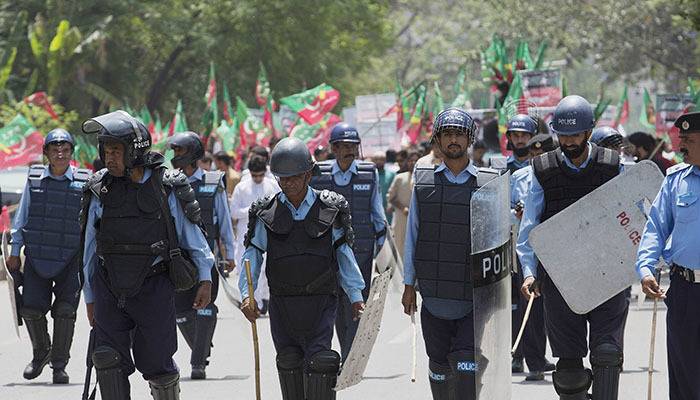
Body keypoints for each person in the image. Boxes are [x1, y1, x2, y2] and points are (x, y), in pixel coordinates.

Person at [80, 110, 215, 399]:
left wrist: (205, 278)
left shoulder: (166, 186)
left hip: (154, 287)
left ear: (134, 150)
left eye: (116, 150)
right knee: (106, 359)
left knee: (159, 365)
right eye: (105, 150)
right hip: (109, 286)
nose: (109, 157)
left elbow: (193, 237)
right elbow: (90, 250)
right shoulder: (98, 189)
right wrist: (90, 297)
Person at [518, 95, 628, 400]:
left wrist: (645, 265)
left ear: (589, 132)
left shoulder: (614, 166)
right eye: (563, 135)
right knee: (568, 372)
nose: (568, 142)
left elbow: (635, 220)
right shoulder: (541, 170)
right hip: (560, 278)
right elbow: (529, 227)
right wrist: (528, 272)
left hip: (608, 276)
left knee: (606, 355)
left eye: (575, 135)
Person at [239, 137, 365, 400]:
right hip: (282, 305)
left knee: (320, 363)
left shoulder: (330, 209)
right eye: (283, 178)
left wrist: (355, 296)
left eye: (295, 177)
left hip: (321, 303)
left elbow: (344, 254)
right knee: (289, 362)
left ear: (308, 174)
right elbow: (252, 256)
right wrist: (246, 295)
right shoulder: (266, 212)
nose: (289, 184)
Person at [401, 107, 503, 399]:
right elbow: (413, 236)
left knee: (465, 363)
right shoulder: (423, 183)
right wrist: (409, 285)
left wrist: (497, 291)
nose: (453, 140)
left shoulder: (487, 183)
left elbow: (496, 238)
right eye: (447, 134)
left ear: (469, 139)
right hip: (433, 294)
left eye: (459, 134)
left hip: (472, 296)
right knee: (439, 366)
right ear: (438, 141)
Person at [7, 129, 91, 384]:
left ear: (71, 152)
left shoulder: (85, 180)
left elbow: (92, 222)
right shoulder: (33, 179)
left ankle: (59, 366)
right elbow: (22, 218)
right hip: (36, 255)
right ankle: (41, 352)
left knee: (65, 311)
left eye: (65, 148)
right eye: (54, 148)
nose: (60, 152)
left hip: (70, 258)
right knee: (31, 310)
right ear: (46, 153)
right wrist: (13, 253)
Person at [310, 122, 387, 361]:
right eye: (343, 146)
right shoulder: (318, 174)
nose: (349, 151)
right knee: (336, 302)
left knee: (355, 301)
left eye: (353, 146)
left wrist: (383, 248)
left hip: (361, 251)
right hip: (327, 253)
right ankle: (345, 350)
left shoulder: (369, 173)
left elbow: (377, 212)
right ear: (333, 148)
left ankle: (350, 355)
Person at [636, 111, 700, 400]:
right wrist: (646, 268)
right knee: (685, 372)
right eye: (680, 138)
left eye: (688, 139)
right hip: (686, 291)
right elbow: (655, 228)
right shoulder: (676, 180)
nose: (681, 144)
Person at [167, 131, 237, 380]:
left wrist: (230, 252)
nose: (175, 157)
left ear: (194, 153)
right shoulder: (169, 182)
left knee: (206, 308)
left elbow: (224, 219)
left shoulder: (212, 182)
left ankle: (198, 362)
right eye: (174, 152)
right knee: (182, 312)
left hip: (209, 258)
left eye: (180, 152)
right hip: (178, 261)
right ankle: (202, 346)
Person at [510, 133, 558, 381]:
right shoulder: (519, 178)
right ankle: (534, 361)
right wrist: (515, 214)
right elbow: (505, 211)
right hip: (528, 249)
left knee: (557, 307)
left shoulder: (559, 174)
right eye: (534, 154)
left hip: (556, 248)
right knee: (531, 307)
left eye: (543, 154)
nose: (537, 158)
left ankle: (565, 357)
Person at [503, 114, 538, 374]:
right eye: (515, 135)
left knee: (536, 304)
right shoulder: (501, 169)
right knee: (513, 303)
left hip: (537, 244)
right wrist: (511, 211)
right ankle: (516, 353)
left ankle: (536, 356)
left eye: (524, 135)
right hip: (508, 244)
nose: (520, 139)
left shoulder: (543, 166)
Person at [230, 155, 279, 314]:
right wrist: (252, 209)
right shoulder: (241, 188)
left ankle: (263, 299)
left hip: (269, 235)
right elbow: (234, 212)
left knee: (266, 270)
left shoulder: (273, 186)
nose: (258, 178)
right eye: (254, 175)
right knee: (249, 270)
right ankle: (253, 303)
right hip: (247, 236)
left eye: (260, 175)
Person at [386, 148, 420, 260]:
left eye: (416, 160)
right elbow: (391, 197)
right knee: (400, 248)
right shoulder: (400, 178)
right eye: (411, 160)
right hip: (402, 219)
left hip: (419, 220)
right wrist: (402, 208)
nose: (413, 163)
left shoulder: (425, 178)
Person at [372, 151, 396, 224]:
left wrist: (391, 204)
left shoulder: (391, 175)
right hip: (373, 210)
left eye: (381, 159)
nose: (379, 161)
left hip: (387, 211)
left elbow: (394, 192)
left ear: (385, 160)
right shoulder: (369, 175)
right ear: (373, 161)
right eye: (376, 159)